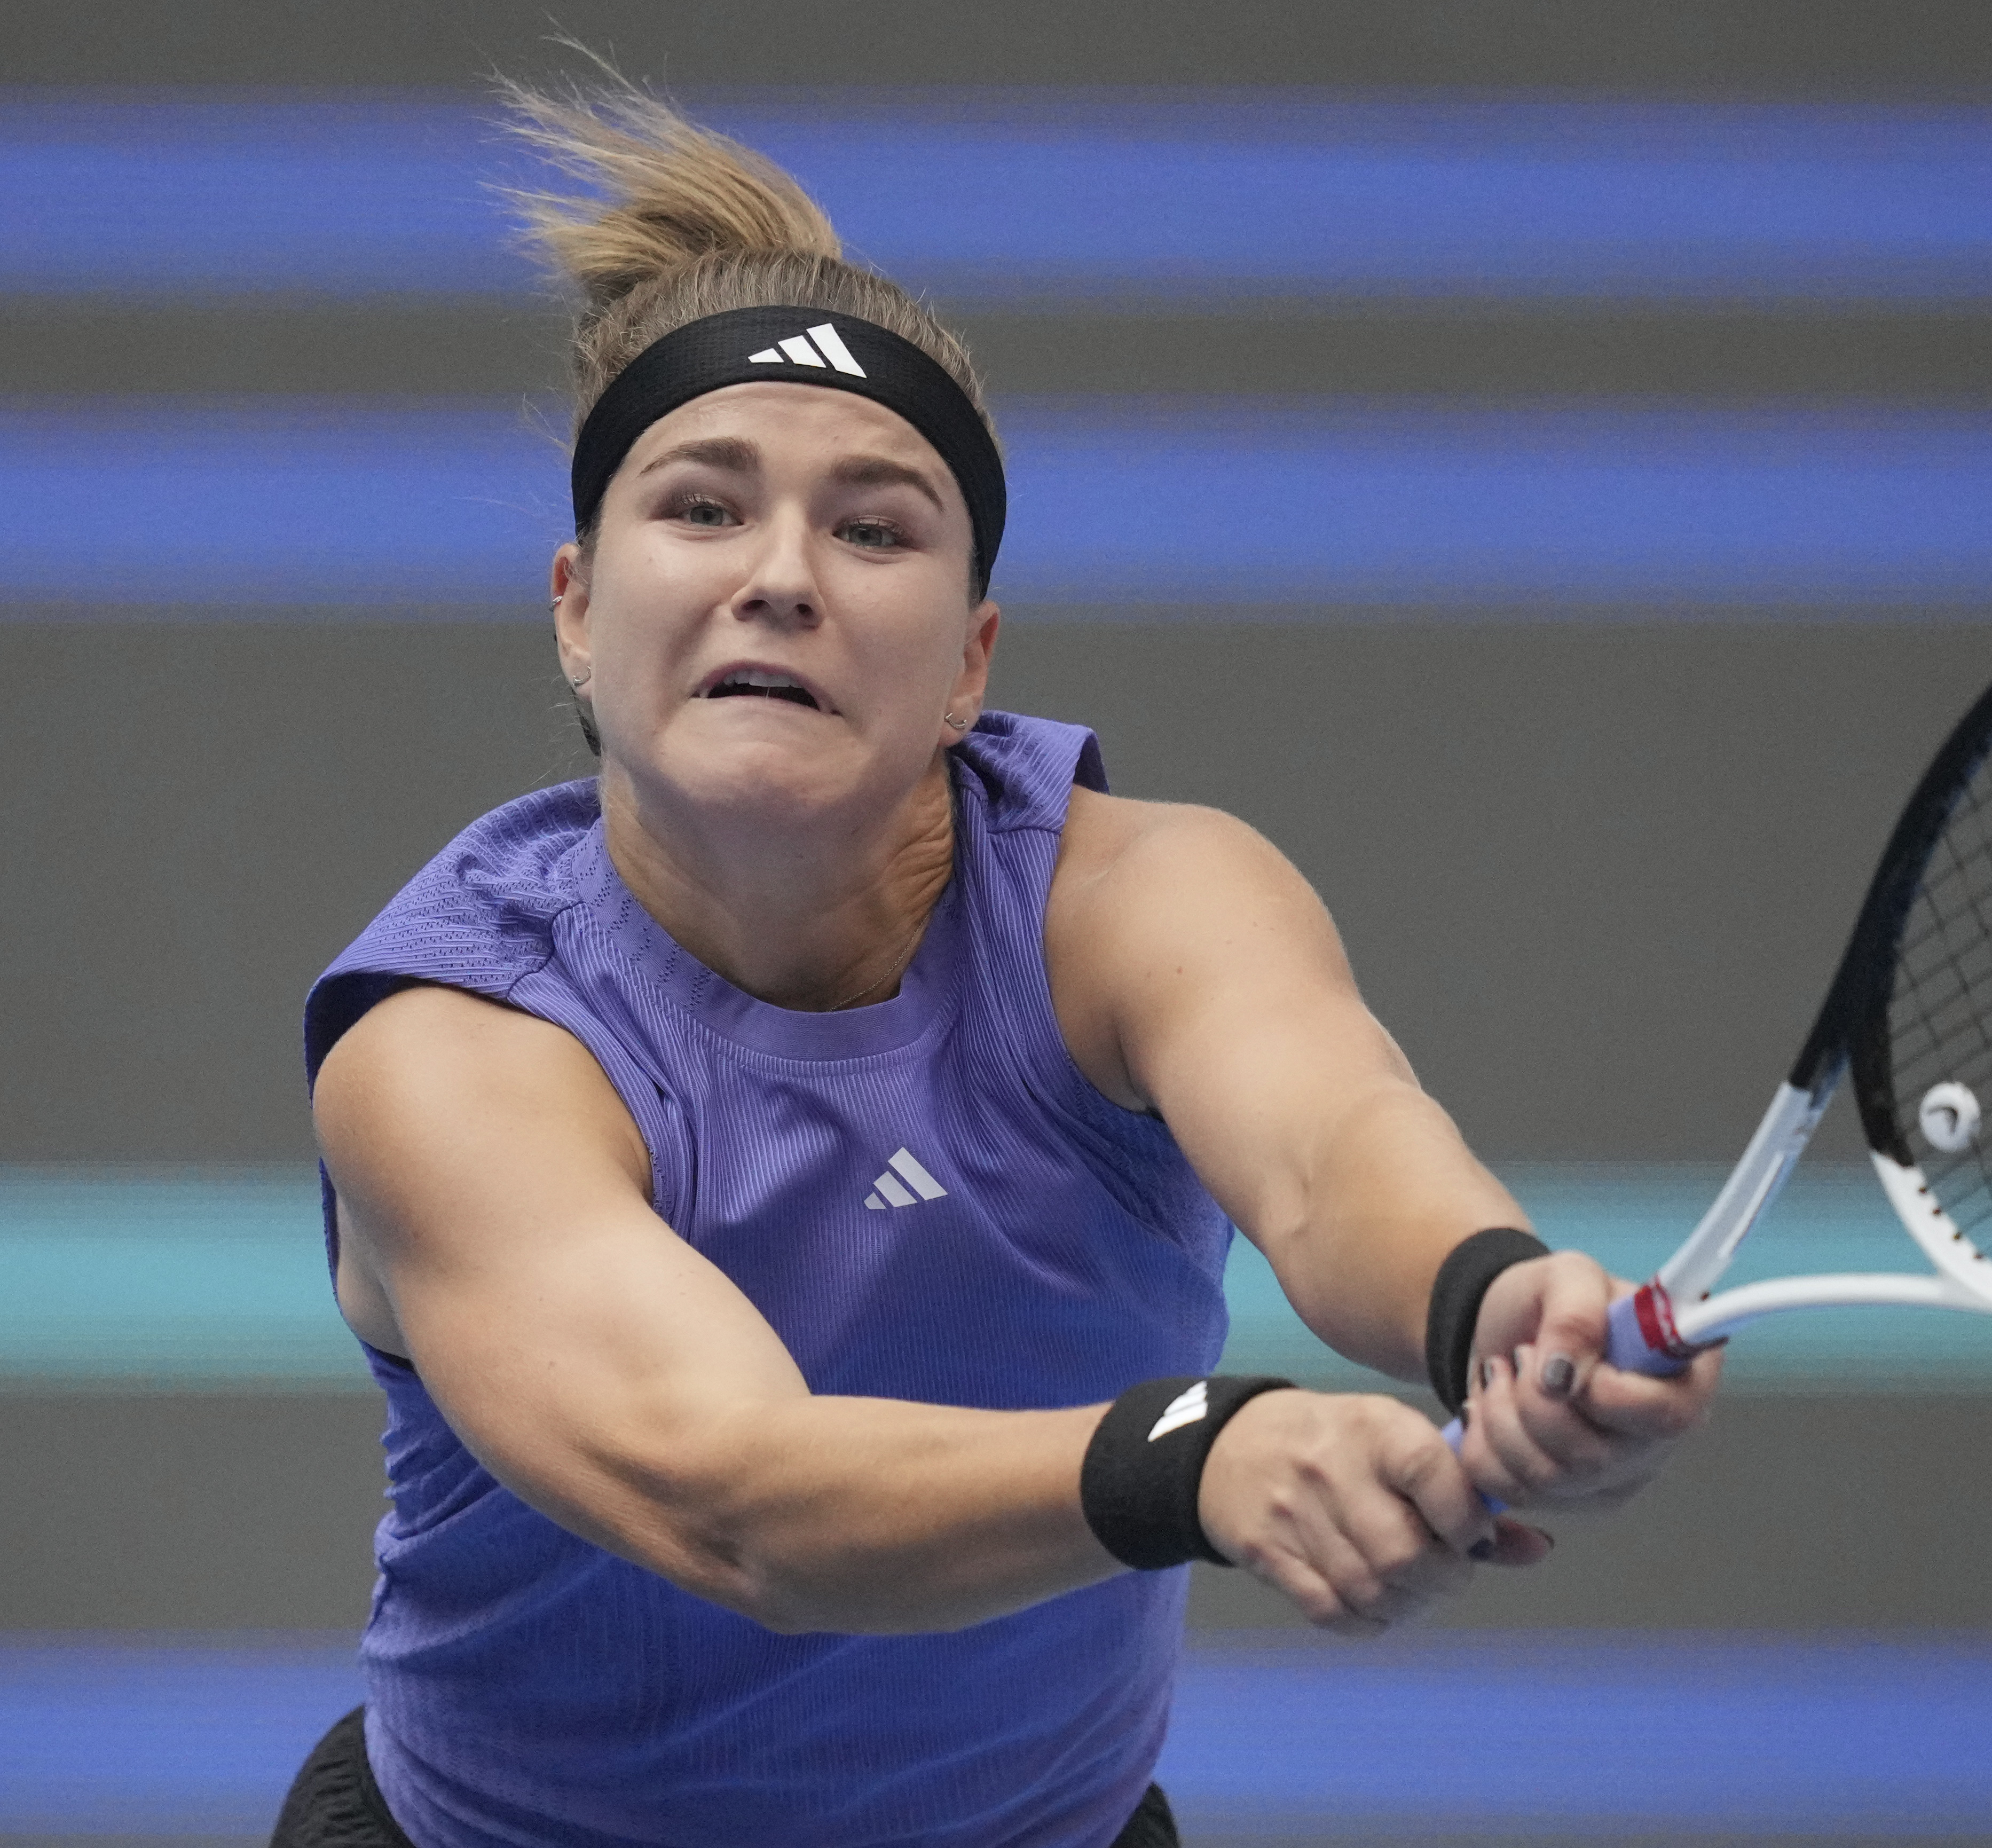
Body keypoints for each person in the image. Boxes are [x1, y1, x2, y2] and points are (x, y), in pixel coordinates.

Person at [278, 72, 1719, 1848]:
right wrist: (1194, 1459)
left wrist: (1496, 1301)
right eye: (704, 509)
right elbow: (741, 1502)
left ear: (969, 661)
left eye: (873, 526)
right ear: (578, 607)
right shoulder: (455, 1044)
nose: (783, 577)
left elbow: (1331, 1146)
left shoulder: (1136, 901)